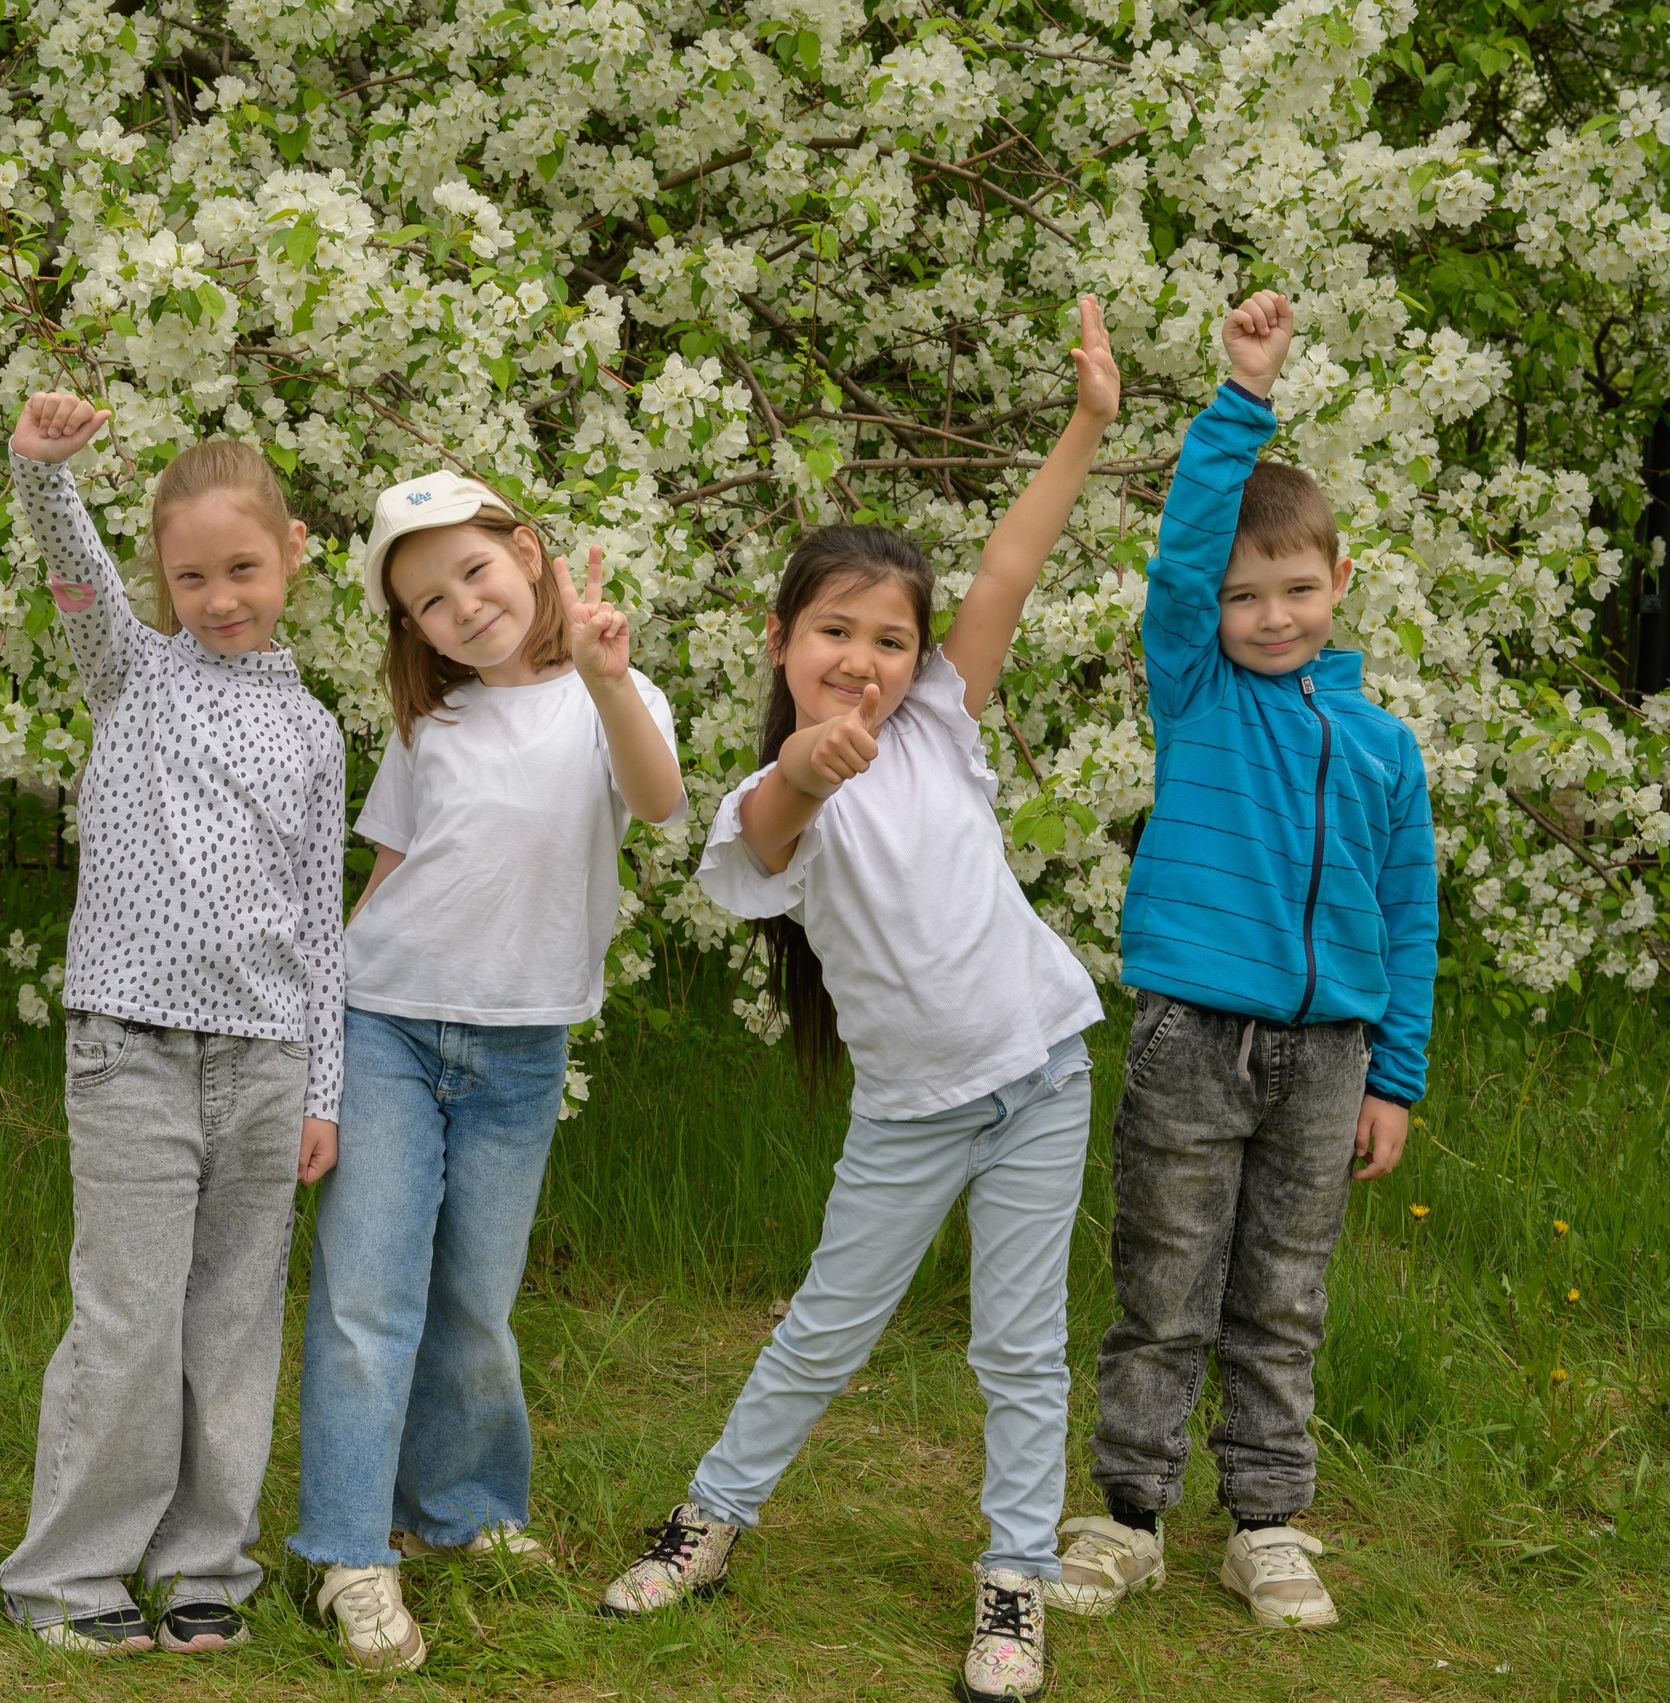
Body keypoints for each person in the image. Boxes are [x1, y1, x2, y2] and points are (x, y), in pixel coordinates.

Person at [596, 298, 1122, 1703]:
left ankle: (1013, 1589)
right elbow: (767, 828)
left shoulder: (942, 723)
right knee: (825, 1328)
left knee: (1019, 1344)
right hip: (909, 1114)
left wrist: (1083, 424)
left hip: (1040, 1073)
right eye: (837, 632)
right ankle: (707, 1520)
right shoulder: (774, 799)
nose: (865, 661)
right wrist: (813, 769)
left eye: (890, 639)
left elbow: (1009, 566)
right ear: (781, 638)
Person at [1047, 292, 1437, 1632]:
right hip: (1192, 1034)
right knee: (1165, 1276)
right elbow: (1184, 553)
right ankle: (1127, 1511)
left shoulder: (1381, 745)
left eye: (1295, 591)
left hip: (1329, 1057)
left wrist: (1397, 1074)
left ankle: (1266, 1522)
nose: (1268, 616)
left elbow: (1407, 912)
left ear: (1341, 585)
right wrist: (1242, 395)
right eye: (1242, 596)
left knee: (1283, 1289)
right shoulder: (1198, 688)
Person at [291, 477, 686, 1671]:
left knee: (473, 1299)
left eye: (475, 572)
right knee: (369, 1295)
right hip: (388, 1027)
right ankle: (350, 1549)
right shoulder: (431, 727)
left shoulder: (611, 696)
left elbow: (659, 803)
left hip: (522, 1046)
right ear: (410, 630)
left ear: (527, 552)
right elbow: (383, 883)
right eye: (427, 601)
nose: (463, 606)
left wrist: (612, 675)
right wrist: (320, 1057)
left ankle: (460, 1508)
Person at [0, 393, 346, 1656]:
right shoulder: (131, 672)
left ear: (292, 553)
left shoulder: (312, 730)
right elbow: (75, 570)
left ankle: (206, 1563)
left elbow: (319, 920)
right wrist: (40, 471)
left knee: (234, 1323)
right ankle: (70, 1576)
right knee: (129, 1318)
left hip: (263, 1063)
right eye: (188, 574)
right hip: (131, 1050)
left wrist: (325, 1088)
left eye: (241, 568)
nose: (217, 596)